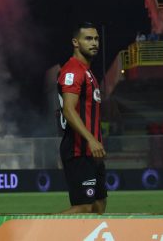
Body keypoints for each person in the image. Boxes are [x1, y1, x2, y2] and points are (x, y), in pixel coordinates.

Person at [57, 22, 107, 214]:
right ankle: (35, 231)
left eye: (96, 39)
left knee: (98, 206)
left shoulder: (88, 72)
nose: (94, 43)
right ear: (75, 42)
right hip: (79, 148)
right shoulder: (73, 70)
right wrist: (91, 140)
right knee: (83, 207)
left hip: (92, 151)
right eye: (88, 39)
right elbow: (69, 110)